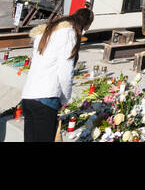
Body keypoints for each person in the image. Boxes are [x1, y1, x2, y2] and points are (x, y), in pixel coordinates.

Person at [20, 8, 94, 142]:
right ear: (85, 25)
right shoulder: (68, 33)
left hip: (29, 95)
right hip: (46, 97)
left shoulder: (47, 32)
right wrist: (65, 98)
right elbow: (65, 71)